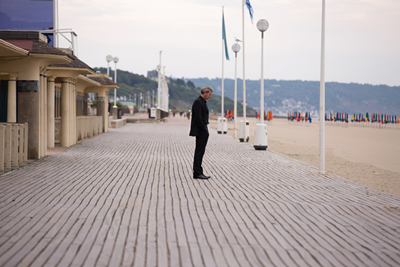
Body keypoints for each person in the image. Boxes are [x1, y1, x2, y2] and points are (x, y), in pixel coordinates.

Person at [189, 86, 213, 179]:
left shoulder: (201, 102)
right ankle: (197, 172)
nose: (210, 96)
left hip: (202, 130)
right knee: (199, 151)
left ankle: (199, 171)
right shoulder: (198, 102)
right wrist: (204, 129)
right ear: (205, 92)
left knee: (200, 151)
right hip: (201, 131)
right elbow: (198, 118)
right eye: (209, 94)